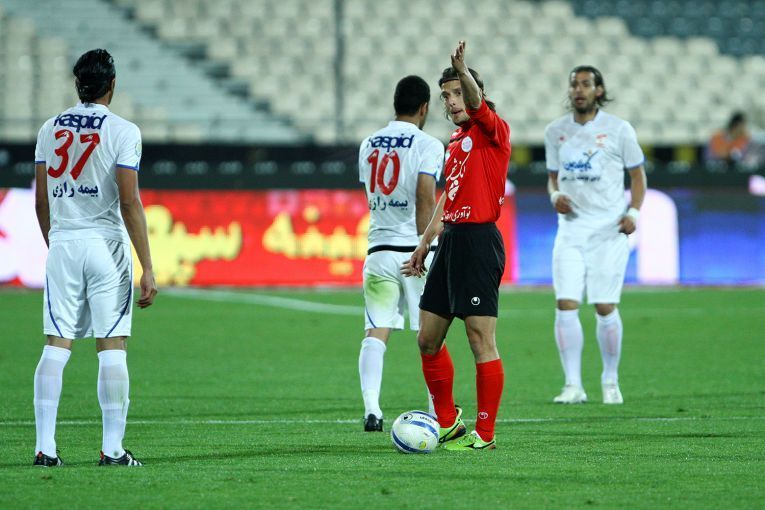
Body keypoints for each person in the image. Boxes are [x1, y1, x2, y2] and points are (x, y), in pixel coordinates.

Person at [32, 49, 157, 467]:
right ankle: (113, 450)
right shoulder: (124, 130)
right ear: (112, 85)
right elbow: (129, 201)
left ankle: (46, 448)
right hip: (106, 246)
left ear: (77, 83)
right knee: (112, 344)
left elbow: (41, 201)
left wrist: (57, 244)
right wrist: (147, 266)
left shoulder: (49, 128)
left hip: (64, 242)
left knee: (56, 344)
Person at [403, 41, 511, 451]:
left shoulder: (493, 130)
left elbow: (479, 104)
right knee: (427, 339)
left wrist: (463, 70)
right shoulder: (456, 140)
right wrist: (424, 243)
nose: (450, 101)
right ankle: (448, 423)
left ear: (473, 93)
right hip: (450, 241)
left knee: (480, 340)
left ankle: (486, 434)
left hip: (479, 242)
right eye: (445, 95)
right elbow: (449, 195)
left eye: (456, 93)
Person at [543, 65, 646, 405]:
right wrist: (555, 196)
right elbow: (553, 178)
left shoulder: (619, 129)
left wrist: (633, 212)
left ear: (599, 90)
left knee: (604, 305)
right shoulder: (555, 131)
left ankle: (610, 380)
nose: (579, 89)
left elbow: (638, 176)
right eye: (574, 84)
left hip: (608, 230)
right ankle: (572, 385)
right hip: (571, 230)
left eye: (586, 84)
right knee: (565, 304)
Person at [357, 75, 444, 431]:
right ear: (424, 108)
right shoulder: (428, 144)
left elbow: (372, 194)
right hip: (415, 254)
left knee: (376, 330)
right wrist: (428, 244)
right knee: (431, 335)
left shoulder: (368, 143)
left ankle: (372, 409)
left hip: (379, 249)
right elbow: (425, 195)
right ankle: (437, 412)